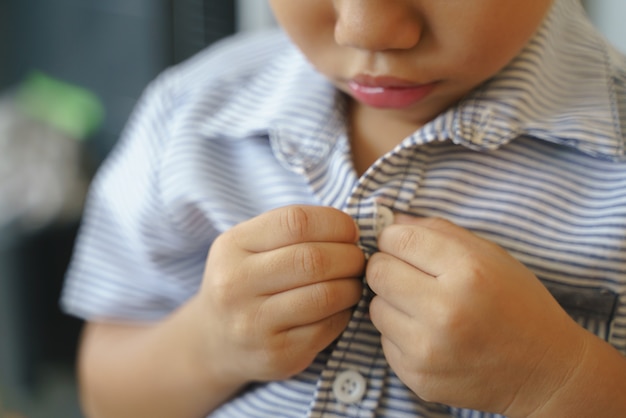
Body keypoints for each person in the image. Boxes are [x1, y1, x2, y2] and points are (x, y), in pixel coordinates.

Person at [61, 0, 626, 416]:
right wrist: (208, 346)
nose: (368, 28)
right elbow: (108, 399)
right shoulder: (185, 117)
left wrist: (558, 380)